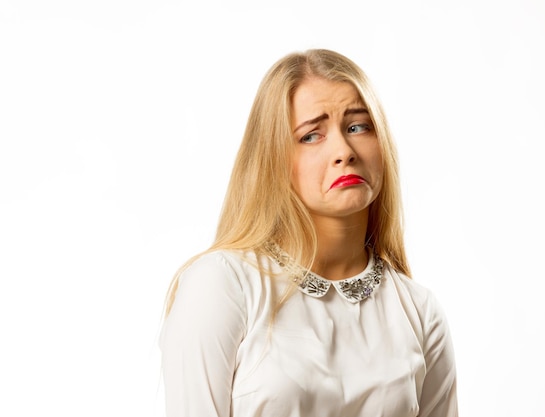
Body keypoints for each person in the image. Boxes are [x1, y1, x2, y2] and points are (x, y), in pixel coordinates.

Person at [160, 49, 458, 417]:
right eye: (311, 135)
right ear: (273, 158)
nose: (343, 151)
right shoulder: (222, 285)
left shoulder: (419, 311)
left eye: (358, 127)